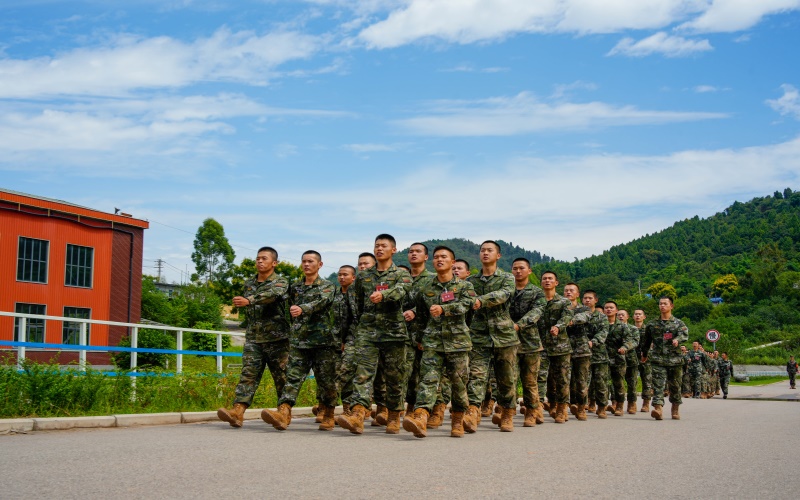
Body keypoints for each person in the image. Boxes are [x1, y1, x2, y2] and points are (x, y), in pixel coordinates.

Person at [337, 234, 413, 435]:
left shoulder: (401, 274)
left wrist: (384, 295)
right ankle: (358, 415)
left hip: (394, 333)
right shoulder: (363, 276)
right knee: (363, 374)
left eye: (384, 246)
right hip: (368, 333)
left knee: (395, 376)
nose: (379, 249)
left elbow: (403, 290)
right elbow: (358, 303)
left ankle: (394, 415)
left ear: (393, 250)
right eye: (376, 245)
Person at [403, 246, 476, 438]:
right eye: (436, 257)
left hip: (457, 342)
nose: (439, 260)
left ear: (453, 262)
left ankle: (458, 420)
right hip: (432, 342)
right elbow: (420, 317)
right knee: (427, 380)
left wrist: (446, 309)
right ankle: (420, 416)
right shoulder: (425, 287)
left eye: (444, 257)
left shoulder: (464, 286)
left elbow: (467, 305)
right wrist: (418, 338)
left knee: (459, 384)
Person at [262, 251, 337, 431]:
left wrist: (302, 308)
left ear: (320, 265)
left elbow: (321, 302)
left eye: (310, 261)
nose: (306, 264)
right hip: (299, 341)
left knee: (326, 381)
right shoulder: (295, 287)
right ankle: (283, 412)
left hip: (322, 343)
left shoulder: (327, 286)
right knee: (292, 378)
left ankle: (329, 414)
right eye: (303, 261)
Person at [218, 246, 290, 428]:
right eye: (258, 258)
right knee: (248, 375)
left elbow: (273, 295)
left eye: (264, 258)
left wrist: (249, 300)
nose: (259, 261)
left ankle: (284, 413)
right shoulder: (249, 284)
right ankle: (237, 412)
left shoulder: (281, 282)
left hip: (277, 339)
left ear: (274, 263)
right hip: (254, 338)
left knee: (282, 377)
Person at [463, 241, 520, 432]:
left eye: (490, 250)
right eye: (482, 250)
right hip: (478, 334)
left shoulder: (507, 278)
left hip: (504, 335)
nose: (485, 253)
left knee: (506, 378)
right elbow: (465, 300)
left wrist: (480, 300)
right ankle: (472, 411)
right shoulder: (471, 281)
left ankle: (507, 413)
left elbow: (503, 295)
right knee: (476, 375)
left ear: (498, 256)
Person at [508, 258, 546, 426]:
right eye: (515, 268)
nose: (518, 271)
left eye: (521, 268)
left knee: (530, 381)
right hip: (508, 342)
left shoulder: (537, 292)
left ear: (529, 271)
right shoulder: (507, 290)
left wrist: (518, 325)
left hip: (530, 343)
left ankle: (531, 411)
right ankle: (507, 412)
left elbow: (536, 313)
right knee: (509, 379)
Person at [641, 296, 689, 420]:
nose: (662, 306)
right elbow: (646, 342)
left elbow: (684, 334)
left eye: (665, 304)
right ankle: (658, 409)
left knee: (675, 386)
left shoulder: (678, 323)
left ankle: (675, 409)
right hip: (658, 359)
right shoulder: (652, 324)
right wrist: (644, 354)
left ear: (671, 306)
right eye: (660, 303)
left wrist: (677, 340)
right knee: (658, 385)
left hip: (675, 360)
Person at [402, 243, 434, 423]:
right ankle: (406, 408)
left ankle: (424, 410)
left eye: (418, 251)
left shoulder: (433, 279)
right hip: (402, 334)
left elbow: (434, 303)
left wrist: (415, 310)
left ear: (426, 257)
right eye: (410, 251)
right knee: (403, 373)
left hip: (426, 334)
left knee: (424, 375)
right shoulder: (401, 279)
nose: (413, 254)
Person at [538, 271, 574, 423]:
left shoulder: (564, 302)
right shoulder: (537, 301)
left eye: (550, 279)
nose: (547, 281)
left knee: (562, 379)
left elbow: (567, 317)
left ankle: (561, 408)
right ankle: (537, 407)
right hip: (540, 345)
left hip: (561, 346)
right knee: (539, 377)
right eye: (544, 279)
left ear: (556, 283)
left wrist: (558, 326)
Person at [564, 282, 592, 421]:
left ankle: (581, 407)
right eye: (566, 290)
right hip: (563, 349)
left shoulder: (584, 309)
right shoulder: (560, 307)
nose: (568, 292)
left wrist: (567, 321)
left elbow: (583, 318)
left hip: (581, 350)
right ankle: (563, 407)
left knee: (581, 381)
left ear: (577, 294)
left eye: (571, 290)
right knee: (563, 380)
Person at [604, 302, 637, 416]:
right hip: (602, 358)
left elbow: (629, 340)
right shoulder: (601, 324)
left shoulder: (623, 326)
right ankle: (602, 405)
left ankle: (620, 405)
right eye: (606, 308)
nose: (609, 310)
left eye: (611, 308)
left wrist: (625, 347)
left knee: (618, 383)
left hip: (618, 358)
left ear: (616, 310)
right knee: (602, 383)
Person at [334, 265, 358, 415]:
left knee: (345, 371)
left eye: (345, 275)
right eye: (340, 275)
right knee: (337, 371)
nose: (342, 277)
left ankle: (327, 403)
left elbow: (353, 320)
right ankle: (346, 409)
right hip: (334, 339)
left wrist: (347, 340)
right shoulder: (334, 294)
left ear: (353, 277)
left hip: (353, 339)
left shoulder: (356, 295)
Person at [583, 290, 610, 418]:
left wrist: (593, 341)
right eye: (585, 298)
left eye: (590, 298)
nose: (587, 300)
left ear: (596, 300)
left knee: (601, 382)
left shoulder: (602, 317)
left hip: (599, 355)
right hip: (582, 354)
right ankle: (582, 405)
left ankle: (602, 406)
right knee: (582, 382)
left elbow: (603, 332)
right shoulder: (578, 314)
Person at [616, 310, 641, 414]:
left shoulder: (633, 328)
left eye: (623, 315)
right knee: (618, 382)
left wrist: (625, 347)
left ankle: (632, 403)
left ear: (627, 317)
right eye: (619, 315)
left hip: (630, 359)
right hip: (617, 359)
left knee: (632, 383)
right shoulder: (613, 327)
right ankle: (619, 404)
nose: (621, 317)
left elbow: (635, 341)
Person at [633, 309, 653, 412]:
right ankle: (632, 403)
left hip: (646, 359)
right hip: (632, 357)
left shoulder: (648, 329)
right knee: (632, 381)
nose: (637, 316)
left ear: (644, 317)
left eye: (640, 314)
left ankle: (646, 403)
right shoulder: (630, 329)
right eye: (636, 314)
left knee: (647, 381)